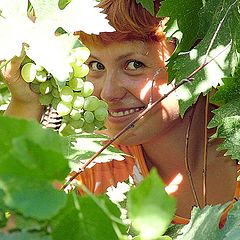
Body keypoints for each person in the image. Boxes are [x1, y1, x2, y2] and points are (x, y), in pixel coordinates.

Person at [1, 0, 238, 226]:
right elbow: (17, 228)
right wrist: (25, 104)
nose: (108, 92)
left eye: (134, 65)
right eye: (96, 66)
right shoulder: (99, 167)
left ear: (201, 58)